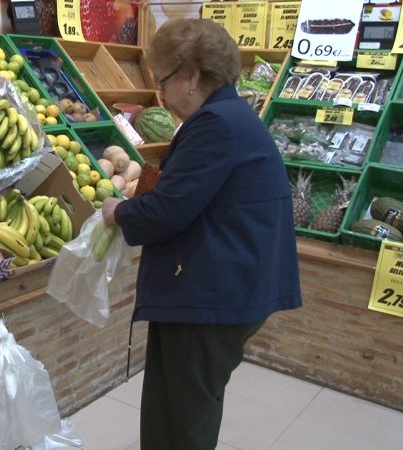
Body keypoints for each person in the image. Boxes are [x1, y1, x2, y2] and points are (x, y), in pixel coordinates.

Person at [101, 18, 302, 450]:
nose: (161, 94)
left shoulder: (215, 125)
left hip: (211, 292)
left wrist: (121, 211)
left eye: (165, 81)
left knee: (183, 416)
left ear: (192, 76)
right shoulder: (230, 115)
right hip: (225, 284)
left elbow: (169, 210)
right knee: (177, 405)